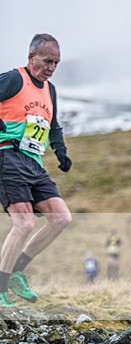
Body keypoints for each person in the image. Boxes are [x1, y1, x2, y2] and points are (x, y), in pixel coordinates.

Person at [0, 33, 73, 307]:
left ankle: (17, 270)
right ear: (32, 57)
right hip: (8, 156)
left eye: (56, 63)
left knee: (61, 218)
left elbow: (53, 126)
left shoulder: (49, 90)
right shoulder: (13, 79)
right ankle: (1, 287)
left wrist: (62, 152)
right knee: (25, 223)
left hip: (34, 162)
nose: (52, 68)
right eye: (47, 61)